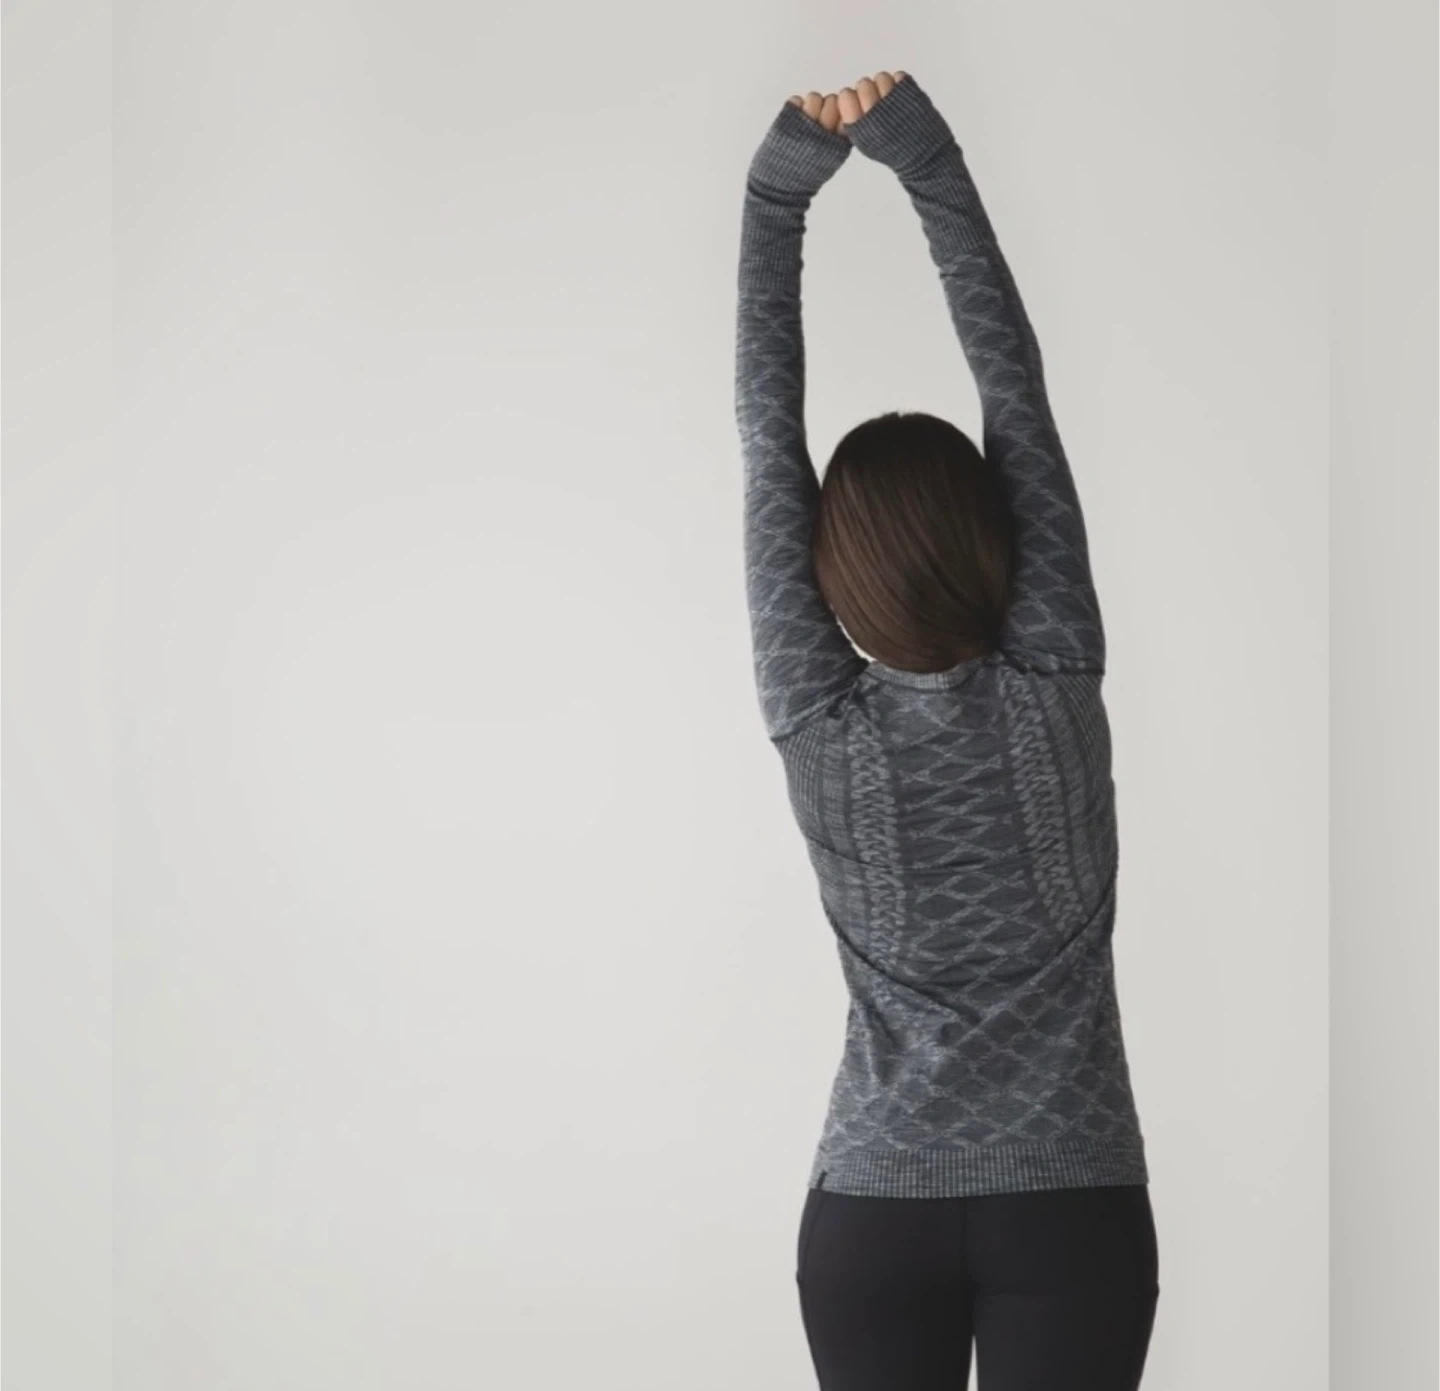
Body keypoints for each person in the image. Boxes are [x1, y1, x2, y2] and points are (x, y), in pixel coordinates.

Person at [733, 70, 1160, 1391]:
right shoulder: (1055, 676)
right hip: (1072, 1204)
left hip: (873, 1210)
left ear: (828, 576)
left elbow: (765, 438)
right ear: (1001, 539)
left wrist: (776, 199)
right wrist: (925, 160)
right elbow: (1014, 388)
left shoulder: (815, 718)